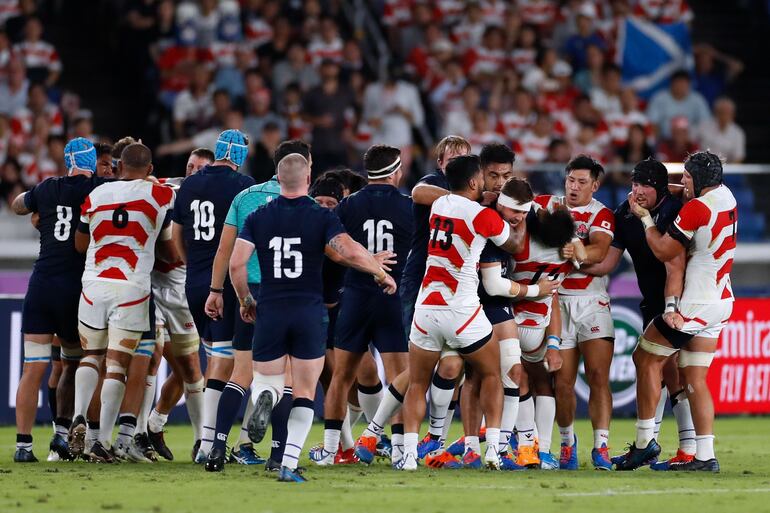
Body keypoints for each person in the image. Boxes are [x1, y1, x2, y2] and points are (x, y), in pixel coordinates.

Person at [224, 153, 397, 482]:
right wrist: (379, 272)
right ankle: (289, 464)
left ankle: (265, 395)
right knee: (305, 390)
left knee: (269, 380)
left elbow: (236, 264)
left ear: (278, 178)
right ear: (307, 179)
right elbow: (349, 250)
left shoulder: (258, 216)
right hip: (309, 312)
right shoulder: (321, 216)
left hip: (270, 310)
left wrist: (246, 300)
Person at [399, 154, 531, 471]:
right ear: (473, 181)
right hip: (461, 309)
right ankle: (493, 449)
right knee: (491, 374)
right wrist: (521, 214)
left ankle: (408, 456)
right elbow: (514, 245)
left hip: (426, 308)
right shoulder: (480, 215)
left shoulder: (439, 205)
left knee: (417, 383)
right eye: (483, 178)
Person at [616, 151, 736, 473]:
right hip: (721, 299)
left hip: (695, 303)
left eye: (686, 177)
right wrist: (657, 187)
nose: (682, 182)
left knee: (644, 358)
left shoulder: (695, 209)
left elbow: (664, 250)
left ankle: (645, 443)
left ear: (699, 180)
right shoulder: (726, 196)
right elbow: (685, 192)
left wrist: (644, 217)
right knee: (694, 377)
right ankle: (704, 456)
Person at [582, 158, 696, 470]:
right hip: (652, 301)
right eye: (634, 183)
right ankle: (667, 446)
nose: (637, 190)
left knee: (666, 367)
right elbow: (607, 263)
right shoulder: (624, 213)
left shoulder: (677, 211)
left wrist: (672, 307)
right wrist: (570, 263)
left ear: (660, 188)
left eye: (645, 184)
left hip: (681, 301)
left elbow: (673, 264)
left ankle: (667, 445)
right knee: (664, 370)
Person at [70, 143, 176, 462]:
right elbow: (168, 249)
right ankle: (102, 440)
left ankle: (79, 416)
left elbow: (80, 244)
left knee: (91, 356)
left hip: (93, 284)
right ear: (150, 169)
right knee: (116, 365)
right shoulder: (161, 195)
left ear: (118, 167)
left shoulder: (96, 194)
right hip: (132, 288)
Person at [203, 141, 303, 471]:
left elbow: (225, 251)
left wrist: (216, 290)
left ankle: (216, 448)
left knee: (241, 373)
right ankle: (277, 455)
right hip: (287, 294)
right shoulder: (305, 202)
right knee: (285, 378)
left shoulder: (245, 197)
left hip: (248, 290)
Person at [311, 145, 413, 467]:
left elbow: (328, 246)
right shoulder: (410, 207)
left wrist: (365, 259)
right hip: (392, 297)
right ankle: (400, 451)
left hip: (355, 297)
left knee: (341, 377)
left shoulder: (347, 206)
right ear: (395, 172)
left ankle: (331, 450)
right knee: (399, 377)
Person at [10, 137, 102, 462]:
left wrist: (38, 210)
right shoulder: (98, 188)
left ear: (67, 162)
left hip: (40, 286)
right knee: (74, 364)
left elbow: (17, 204)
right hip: (74, 289)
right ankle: (63, 434)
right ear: (92, 161)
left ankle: (23, 446)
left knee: (32, 369)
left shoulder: (48, 187)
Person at [171, 129, 255, 463]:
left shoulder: (189, 184)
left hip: (194, 280)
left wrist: (191, 265)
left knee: (215, 357)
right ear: (240, 155)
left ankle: (209, 441)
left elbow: (176, 234)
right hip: (226, 283)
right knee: (230, 360)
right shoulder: (244, 186)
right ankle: (211, 444)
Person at [540, 155, 616, 471]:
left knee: (598, 376)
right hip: (557, 303)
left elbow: (600, 249)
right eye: (571, 180)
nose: (574, 187)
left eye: (582, 182)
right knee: (562, 383)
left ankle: (601, 446)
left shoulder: (601, 214)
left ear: (594, 186)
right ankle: (567, 443)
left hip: (592, 303)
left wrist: (579, 252)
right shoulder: (549, 205)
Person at [143, 149, 214, 462]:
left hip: (184, 289)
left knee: (190, 368)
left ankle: (160, 425)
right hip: (151, 286)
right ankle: (137, 436)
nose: (193, 171)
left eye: (200, 167)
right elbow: (143, 181)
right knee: (151, 357)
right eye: (190, 165)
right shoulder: (167, 187)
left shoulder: (214, 200)